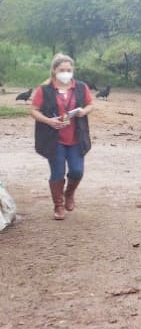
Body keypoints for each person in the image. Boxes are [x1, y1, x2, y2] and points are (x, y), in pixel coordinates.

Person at [29, 53, 94, 220]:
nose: (65, 73)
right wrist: (49, 121)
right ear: (54, 71)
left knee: (77, 171)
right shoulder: (45, 90)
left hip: (76, 138)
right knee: (57, 173)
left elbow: (90, 104)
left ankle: (69, 193)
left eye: (68, 70)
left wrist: (83, 111)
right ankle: (58, 205)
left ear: (73, 70)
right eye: (62, 70)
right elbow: (33, 110)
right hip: (54, 139)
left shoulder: (81, 87)